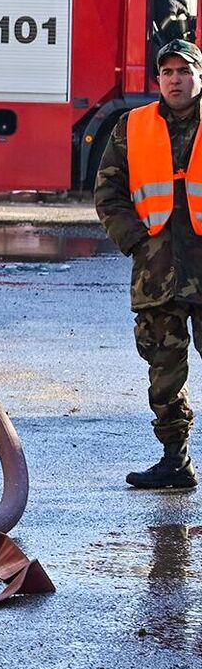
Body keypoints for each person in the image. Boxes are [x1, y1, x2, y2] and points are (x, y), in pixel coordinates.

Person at [94, 38, 202, 491]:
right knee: (163, 371)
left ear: (199, 76)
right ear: (158, 79)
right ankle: (175, 462)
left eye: (185, 71)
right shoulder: (132, 126)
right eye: (168, 72)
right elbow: (108, 192)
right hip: (157, 274)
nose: (176, 80)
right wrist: (137, 241)